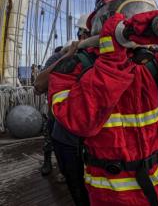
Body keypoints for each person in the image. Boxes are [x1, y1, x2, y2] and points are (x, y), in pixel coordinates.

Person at [48, 0, 158, 206]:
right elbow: (78, 122)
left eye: (141, 13)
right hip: (116, 194)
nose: (134, 21)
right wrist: (111, 60)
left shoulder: (154, 61)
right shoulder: (73, 68)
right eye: (127, 15)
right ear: (105, 21)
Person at [34, 14, 91, 206]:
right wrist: (68, 57)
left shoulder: (98, 57)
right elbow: (39, 85)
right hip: (60, 125)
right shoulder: (60, 56)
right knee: (72, 175)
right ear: (81, 34)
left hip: (89, 131)